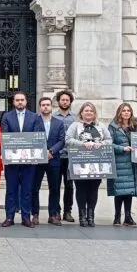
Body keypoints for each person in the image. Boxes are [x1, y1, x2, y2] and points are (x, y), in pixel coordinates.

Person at [0, 91, 44, 228]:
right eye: (17, 100)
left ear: (26, 102)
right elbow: (5, 135)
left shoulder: (35, 117)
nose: (20, 102)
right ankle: (9, 217)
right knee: (11, 190)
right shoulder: (7, 116)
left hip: (29, 161)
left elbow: (38, 136)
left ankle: (26, 217)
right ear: (13, 102)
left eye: (22, 100)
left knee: (27, 190)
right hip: (12, 161)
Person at [65, 102, 112, 227]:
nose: (88, 113)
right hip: (79, 164)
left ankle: (90, 216)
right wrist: (82, 144)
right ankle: (82, 216)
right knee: (81, 189)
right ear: (81, 113)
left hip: (97, 164)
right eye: (86, 111)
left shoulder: (100, 126)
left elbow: (109, 140)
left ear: (94, 113)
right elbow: (68, 140)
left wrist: (101, 144)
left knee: (93, 190)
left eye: (91, 111)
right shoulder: (75, 125)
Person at [107, 103, 137, 226]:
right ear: (120, 112)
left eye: (128, 110)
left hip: (133, 163)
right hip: (119, 162)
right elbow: (108, 144)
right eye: (124, 111)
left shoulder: (136, 126)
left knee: (129, 191)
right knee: (119, 191)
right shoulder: (113, 127)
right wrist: (122, 148)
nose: (126, 113)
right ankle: (117, 216)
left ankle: (128, 216)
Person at [33, 97, 66, 226]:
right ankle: (35, 214)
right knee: (34, 188)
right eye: (43, 105)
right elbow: (30, 137)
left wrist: (51, 151)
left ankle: (53, 215)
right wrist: (42, 151)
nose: (45, 107)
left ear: (51, 106)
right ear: (40, 107)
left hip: (54, 160)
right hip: (37, 159)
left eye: (47, 105)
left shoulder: (59, 123)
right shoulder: (34, 121)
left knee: (55, 188)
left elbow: (62, 140)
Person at [54, 89, 76, 222]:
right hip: (57, 156)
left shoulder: (75, 118)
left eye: (67, 100)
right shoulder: (53, 117)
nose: (65, 102)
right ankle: (56, 211)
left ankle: (68, 211)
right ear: (58, 101)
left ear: (70, 102)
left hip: (71, 157)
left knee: (69, 186)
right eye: (62, 100)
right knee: (55, 185)